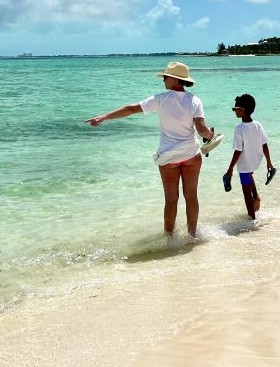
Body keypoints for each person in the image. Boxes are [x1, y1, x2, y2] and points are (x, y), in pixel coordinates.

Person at [85, 61, 215, 237]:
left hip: (168, 158)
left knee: (171, 200)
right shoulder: (194, 100)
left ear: (175, 80)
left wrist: (103, 117)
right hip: (191, 155)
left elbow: (131, 109)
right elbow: (202, 130)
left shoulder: (160, 99)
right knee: (191, 196)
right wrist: (211, 136)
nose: (163, 80)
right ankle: (192, 236)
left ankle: (169, 239)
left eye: (166, 77)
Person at [223, 93, 275, 221]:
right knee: (249, 177)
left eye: (235, 109)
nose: (234, 111)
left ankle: (252, 219)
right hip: (255, 161)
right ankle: (256, 197)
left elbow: (238, 151)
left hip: (245, 165)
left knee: (246, 193)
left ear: (242, 110)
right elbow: (264, 144)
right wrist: (269, 162)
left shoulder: (239, 128)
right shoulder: (258, 124)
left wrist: (230, 169)